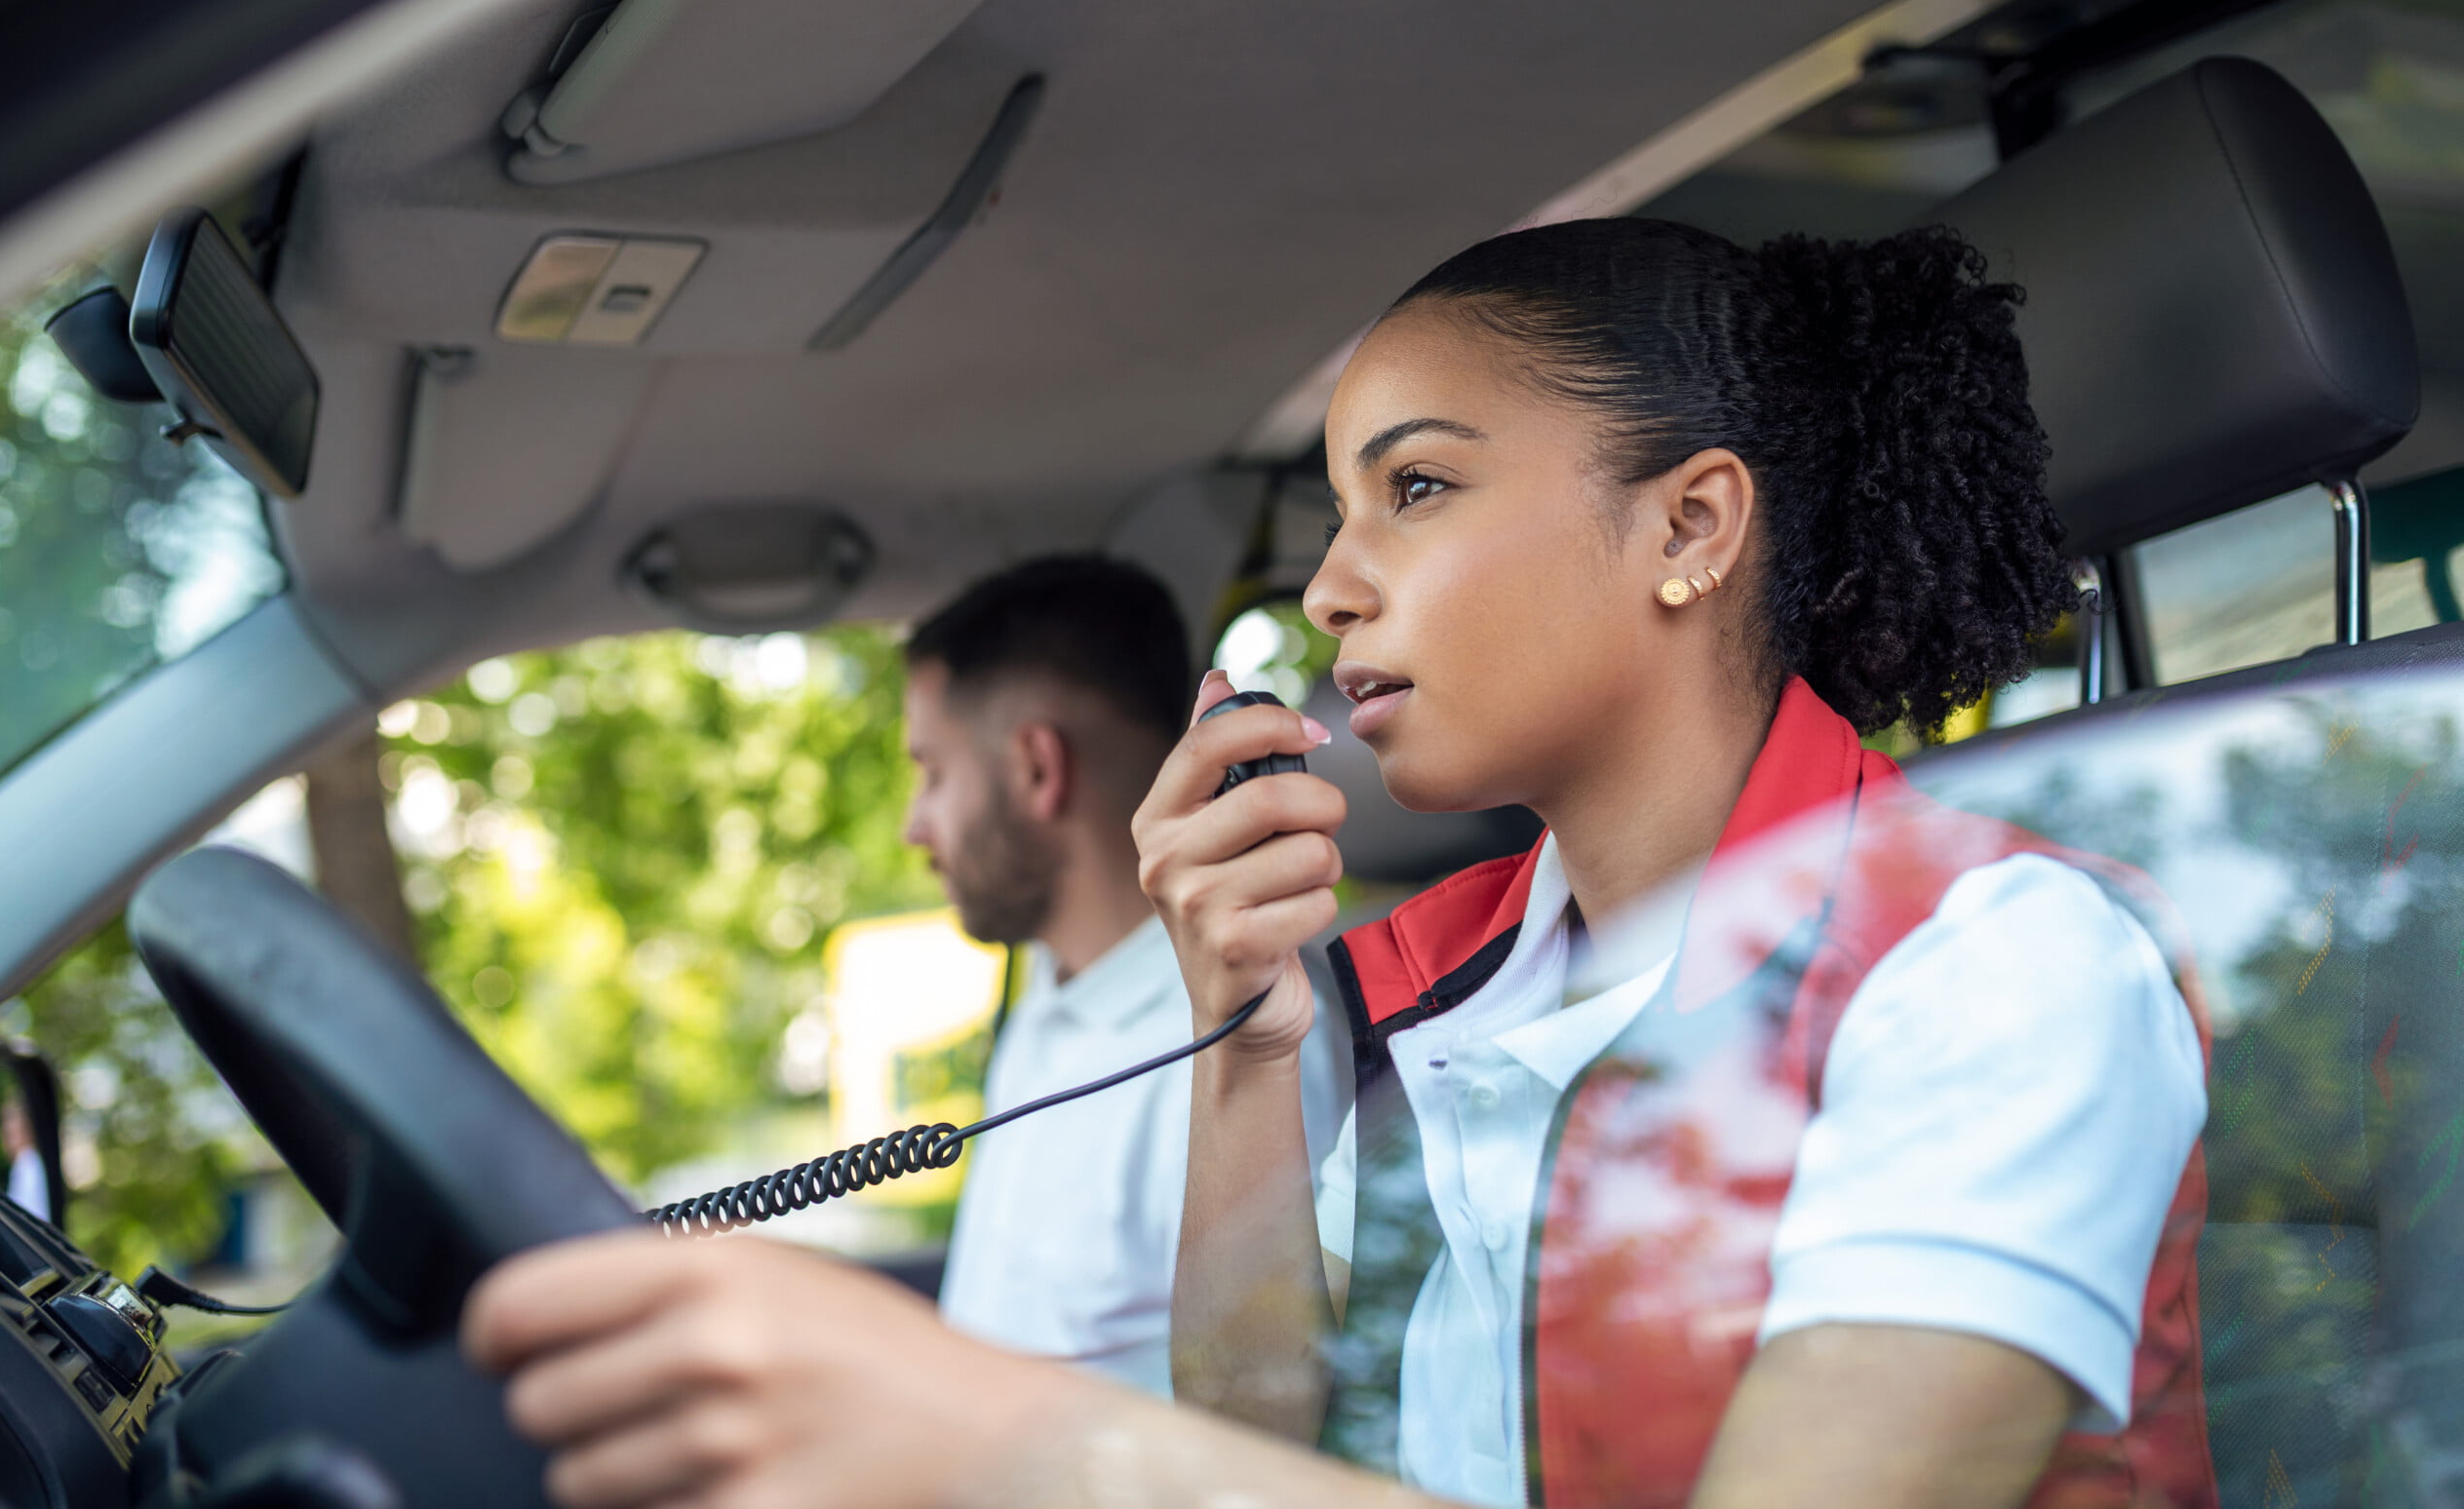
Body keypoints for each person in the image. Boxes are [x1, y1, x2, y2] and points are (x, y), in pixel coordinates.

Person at [461, 218, 2211, 1509]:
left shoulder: (1991, 959)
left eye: (1420, 490)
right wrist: (1238, 1020)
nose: (1330, 588)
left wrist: (1001, 1435)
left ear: (1689, 527)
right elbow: (1259, 1428)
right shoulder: (1442, 969)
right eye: (1337, 515)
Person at [898, 555, 1344, 1398]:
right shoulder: (1052, 987)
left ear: (1037, 767)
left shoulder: (1243, 1043)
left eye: (933, 772)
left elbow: (1270, 1416)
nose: (912, 827)